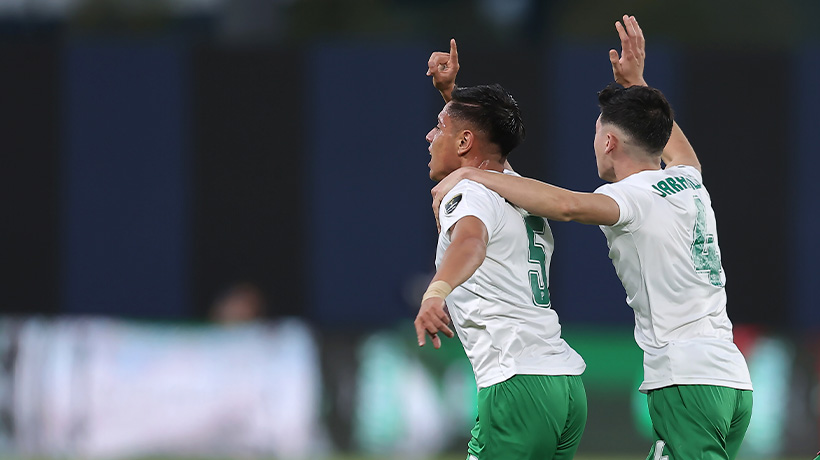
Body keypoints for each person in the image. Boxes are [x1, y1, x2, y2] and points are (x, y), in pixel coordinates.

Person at [430, 15, 753, 460]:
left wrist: (469, 172)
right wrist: (638, 85)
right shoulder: (689, 179)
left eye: (598, 135)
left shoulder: (629, 197)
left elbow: (565, 205)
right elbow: (677, 148)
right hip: (732, 376)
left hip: (685, 378)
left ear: (611, 143)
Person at [414, 43, 587, 459]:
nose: (430, 134)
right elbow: (480, 139)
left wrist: (436, 291)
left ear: (464, 142)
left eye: (439, 127)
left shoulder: (470, 191)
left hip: (516, 383)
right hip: (564, 384)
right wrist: (451, 93)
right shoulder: (514, 186)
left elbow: (471, 242)